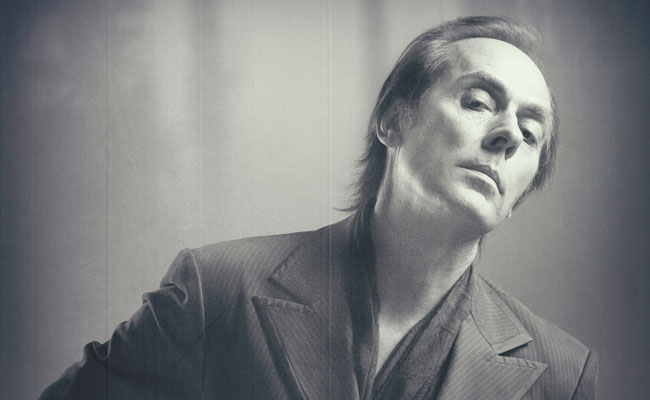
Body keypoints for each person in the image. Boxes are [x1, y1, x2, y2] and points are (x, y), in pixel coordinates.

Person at [39, 15, 598, 400]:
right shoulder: (217, 288)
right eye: (477, 101)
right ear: (393, 121)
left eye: (530, 133)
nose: (508, 135)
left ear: (523, 188)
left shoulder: (563, 373)